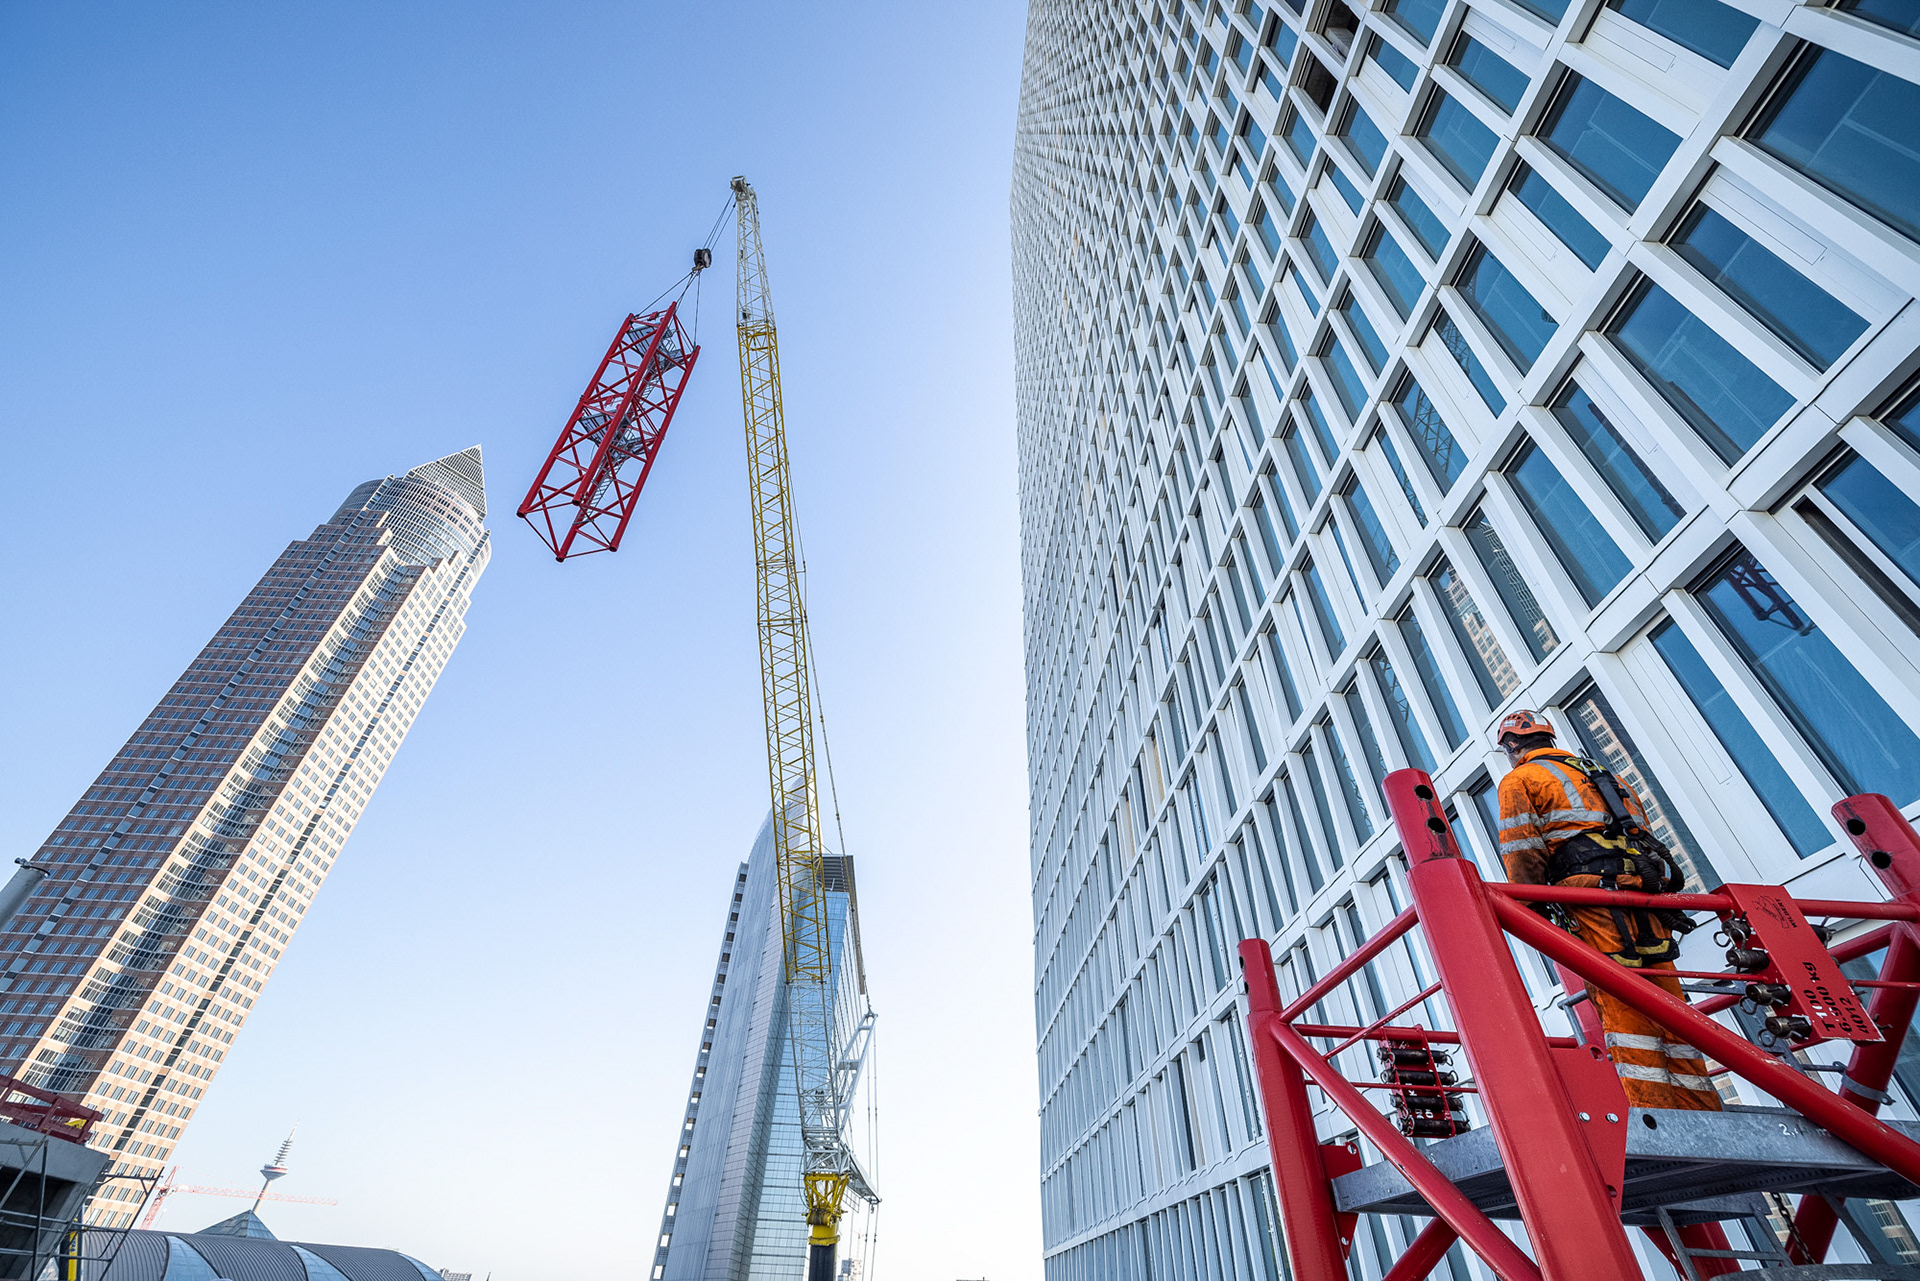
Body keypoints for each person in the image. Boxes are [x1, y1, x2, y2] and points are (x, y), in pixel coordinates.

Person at [1494, 709, 1722, 1111]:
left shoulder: (1519, 780)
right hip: (1641, 892)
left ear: (1513, 746)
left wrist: (1531, 908)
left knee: (1620, 997)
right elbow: (1642, 833)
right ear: (1549, 738)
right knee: (1667, 1000)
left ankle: (1656, 1115)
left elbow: (1522, 851)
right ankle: (1702, 1108)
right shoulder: (1603, 775)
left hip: (1592, 898)